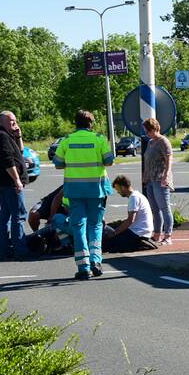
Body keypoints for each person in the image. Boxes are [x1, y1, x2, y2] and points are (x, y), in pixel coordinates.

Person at [53, 110, 114, 280]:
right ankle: (96, 261)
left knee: (78, 226)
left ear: (76, 123)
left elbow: (58, 164)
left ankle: (83, 267)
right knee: (95, 226)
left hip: (74, 191)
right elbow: (109, 161)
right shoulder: (99, 139)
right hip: (96, 190)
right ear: (91, 124)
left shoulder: (67, 140)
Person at [0, 110, 28, 260]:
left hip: (2, 182)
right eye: (11, 120)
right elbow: (8, 161)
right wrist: (17, 180)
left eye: (15, 120)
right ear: (2, 121)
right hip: (9, 183)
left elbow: (20, 151)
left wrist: (18, 136)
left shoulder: (5, 135)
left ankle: (4, 250)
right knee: (19, 215)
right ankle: (20, 250)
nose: (14, 123)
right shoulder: (2, 136)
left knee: (6, 215)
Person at [103, 175, 158, 253]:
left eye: (118, 189)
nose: (117, 192)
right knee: (111, 228)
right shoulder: (137, 195)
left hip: (138, 233)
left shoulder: (134, 197)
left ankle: (140, 244)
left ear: (123, 187)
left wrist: (115, 232)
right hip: (141, 231)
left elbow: (130, 220)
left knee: (109, 245)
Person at [141, 117, 174, 245]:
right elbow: (147, 161)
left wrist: (166, 175)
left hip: (160, 179)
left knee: (164, 207)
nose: (147, 133)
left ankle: (168, 236)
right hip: (150, 179)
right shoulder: (150, 143)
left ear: (155, 128)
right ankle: (157, 234)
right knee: (154, 209)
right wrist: (145, 176)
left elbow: (169, 158)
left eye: (148, 130)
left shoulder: (163, 141)